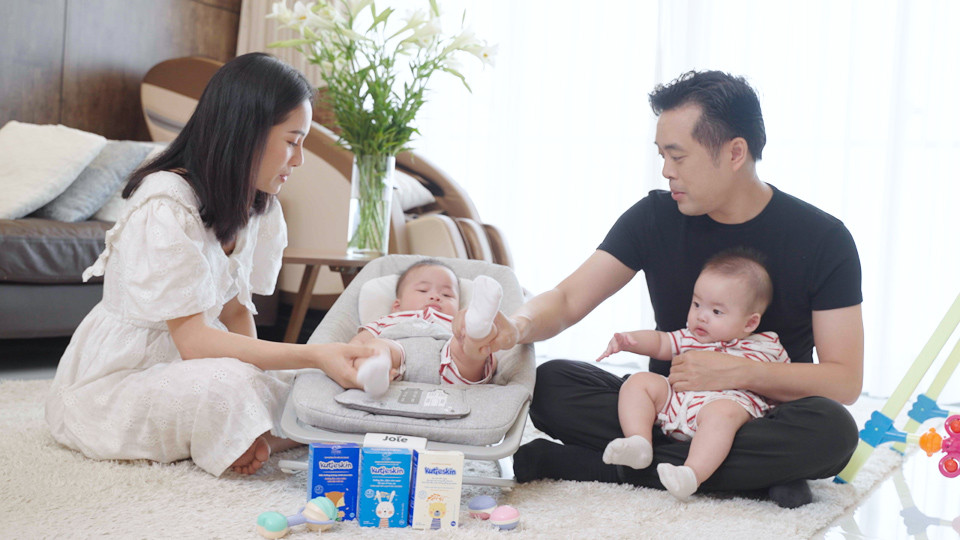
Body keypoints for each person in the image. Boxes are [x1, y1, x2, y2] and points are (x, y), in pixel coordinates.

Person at [456, 70, 864, 508]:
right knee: (551, 384)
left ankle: (599, 467)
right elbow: (569, 298)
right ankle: (751, 475)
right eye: (662, 155)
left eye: (678, 156)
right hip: (667, 408)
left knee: (833, 431)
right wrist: (515, 327)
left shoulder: (823, 239)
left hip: (761, 413)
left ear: (734, 153)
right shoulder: (654, 216)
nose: (667, 171)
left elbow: (844, 381)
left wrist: (738, 372)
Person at [45, 53, 377, 477]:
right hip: (122, 379)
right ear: (248, 132)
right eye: (293, 141)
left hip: (200, 362)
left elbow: (236, 312)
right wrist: (312, 355)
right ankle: (265, 432)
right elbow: (193, 342)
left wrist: (268, 380)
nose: (298, 160)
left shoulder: (256, 204)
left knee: (300, 383)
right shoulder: (165, 203)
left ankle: (253, 435)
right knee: (233, 386)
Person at [596, 249, 789, 500]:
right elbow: (661, 342)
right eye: (697, 304)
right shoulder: (691, 337)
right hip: (675, 403)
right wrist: (630, 340)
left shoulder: (766, 346)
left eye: (716, 312)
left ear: (750, 323)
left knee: (723, 413)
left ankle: (692, 473)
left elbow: (783, 382)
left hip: (721, 412)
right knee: (639, 382)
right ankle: (639, 442)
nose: (701, 316)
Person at [350, 259, 504, 397]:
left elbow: (492, 360)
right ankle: (376, 372)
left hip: (450, 365)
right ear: (397, 306)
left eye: (446, 295)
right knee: (376, 347)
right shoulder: (387, 320)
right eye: (423, 290)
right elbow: (357, 345)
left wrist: (479, 351)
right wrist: (356, 354)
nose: (435, 296)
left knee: (468, 346)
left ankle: (478, 327)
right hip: (395, 363)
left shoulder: (455, 323)